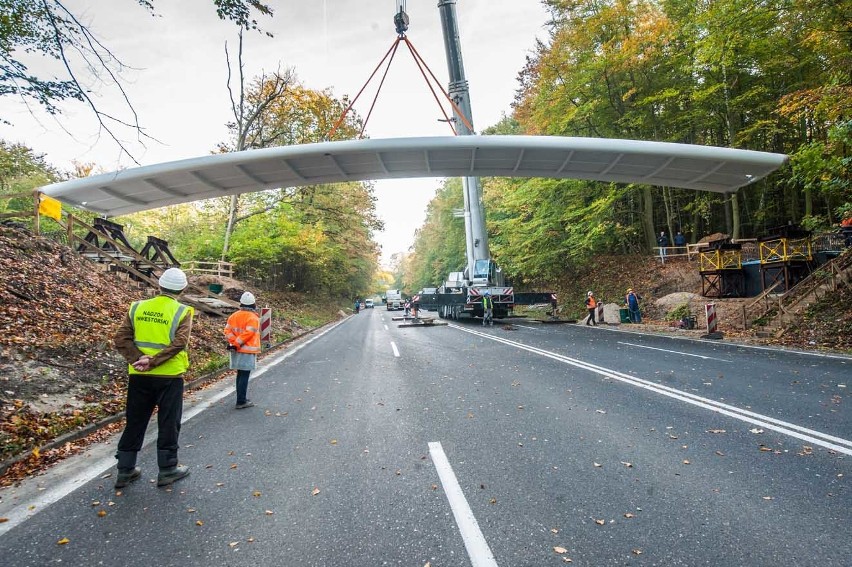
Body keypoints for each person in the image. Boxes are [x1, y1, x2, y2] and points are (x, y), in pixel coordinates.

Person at [112, 267, 193, 489]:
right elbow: (179, 344)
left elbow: (121, 339)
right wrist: (154, 360)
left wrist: (139, 359)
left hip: (139, 375)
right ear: (183, 289)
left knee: (135, 420)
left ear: (159, 286)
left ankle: (125, 470)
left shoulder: (137, 307)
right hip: (169, 376)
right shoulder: (182, 311)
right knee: (169, 421)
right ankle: (167, 469)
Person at [224, 292, 261, 410]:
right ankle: (241, 400)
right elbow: (248, 334)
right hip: (246, 350)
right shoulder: (253, 318)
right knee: (244, 374)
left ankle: (241, 398)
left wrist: (234, 343)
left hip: (235, 350)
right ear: (254, 304)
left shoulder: (233, 316)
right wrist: (237, 343)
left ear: (241, 303)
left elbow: (227, 331)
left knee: (240, 374)